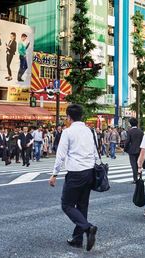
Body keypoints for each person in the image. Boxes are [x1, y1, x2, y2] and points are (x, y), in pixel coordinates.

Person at [48, 104, 99, 251]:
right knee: (82, 206)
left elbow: (60, 155)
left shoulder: (68, 132)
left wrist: (54, 174)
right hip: (89, 171)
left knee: (67, 205)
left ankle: (88, 228)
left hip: (75, 172)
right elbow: (95, 152)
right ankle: (77, 239)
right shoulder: (90, 131)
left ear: (69, 117)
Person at [125, 118, 144, 184]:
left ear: (130, 124)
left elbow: (127, 141)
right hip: (140, 150)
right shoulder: (141, 131)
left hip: (132, 150)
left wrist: (125, 149)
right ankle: (140, 177)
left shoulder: (130, 131)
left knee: (133, 165)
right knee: (140, 164)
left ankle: (135, 179)